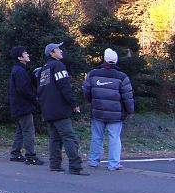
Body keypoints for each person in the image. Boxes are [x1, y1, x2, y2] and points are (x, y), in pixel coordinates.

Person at [37, 42, 89, 175]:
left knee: (54, 138)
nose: (61, 51)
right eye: (58, 49)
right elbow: (64, 86)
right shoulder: (58, 66)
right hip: (59, 109)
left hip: (48, 109)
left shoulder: (44, 68)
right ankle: (75, 166)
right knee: (69, 138)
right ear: (51, 53)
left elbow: (41, 90)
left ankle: (55, 164)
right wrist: (73, 104)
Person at [84, 47, 135, 171]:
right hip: (116, 114)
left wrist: (93, 101)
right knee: (114, 138)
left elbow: (86, 92)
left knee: (97, 137)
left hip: (98, 111)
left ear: (104, 59)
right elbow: (128, 97)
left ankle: (93, 161)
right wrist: (130, 111)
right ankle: (113, 164)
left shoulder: (93, 74)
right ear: (116, 60)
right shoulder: (122, 77)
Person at [8, 46, 44, 165]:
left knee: (20, 130)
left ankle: (16, 153)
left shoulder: (19, 70)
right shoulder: (19, 71)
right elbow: (23, 89)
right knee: (29, 131)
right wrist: (35, 99)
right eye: (25, 53)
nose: (28, 54)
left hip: (19, 106)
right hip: (23, 106)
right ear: (19, 57)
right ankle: (31, 156)